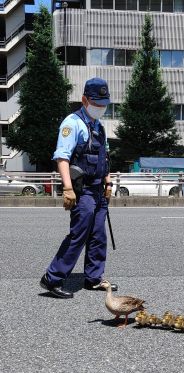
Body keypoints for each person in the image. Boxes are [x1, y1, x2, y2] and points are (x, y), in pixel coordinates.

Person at [40, 77, 118, 298]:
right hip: (81, 190)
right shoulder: (71, 123)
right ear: (85, 100)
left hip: (99, 190)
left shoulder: (99, 127)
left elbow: (105, 158)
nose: (101, 108)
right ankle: (52, 279)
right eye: (97, 104)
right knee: (79, 235)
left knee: (98, 236)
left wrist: (108, 181)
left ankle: (93, 278)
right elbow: (62, 158)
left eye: (104, 104)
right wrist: (67, 188)